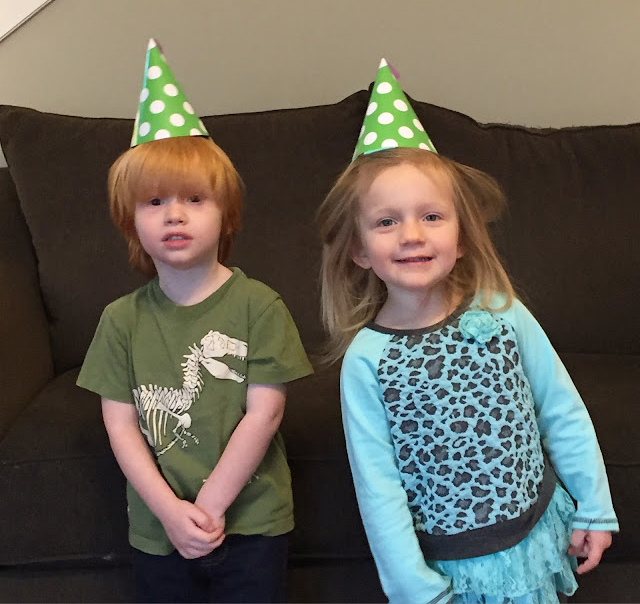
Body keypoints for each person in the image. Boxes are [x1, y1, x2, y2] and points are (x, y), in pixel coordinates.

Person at [317, 59, 618, 604]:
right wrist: (412, 586)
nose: (411, 234)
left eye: (431, 216)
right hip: (453, 569)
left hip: (538, 535)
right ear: (359, 249)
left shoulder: (502, 312)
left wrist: (594, 505)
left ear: (461, 237)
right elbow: (378, 486)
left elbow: (561, 409)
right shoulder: (367, 359)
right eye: (387, 221)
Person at [77, 39, 313, 603]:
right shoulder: (120, 320)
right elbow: (120, 425)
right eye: (154, 202)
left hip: (251, 524)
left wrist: (208, 508)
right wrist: (170, 512)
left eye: (194, 199)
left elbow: (265, 412)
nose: (174, 215)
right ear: (130, 222)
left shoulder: (260, 305)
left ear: (226, 214)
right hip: (158, 530)